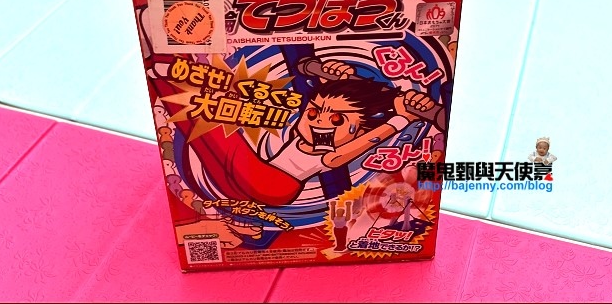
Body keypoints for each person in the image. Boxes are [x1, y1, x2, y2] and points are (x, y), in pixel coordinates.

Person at [186, 60, 437, 206]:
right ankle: (175, 73)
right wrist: (332, 77)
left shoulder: (329, 157)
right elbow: (318, 93)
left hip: (276, 186)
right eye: (313, 112)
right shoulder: (301, 134)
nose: (319, 121)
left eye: (337, 119)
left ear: (358, 131)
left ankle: (180, 73)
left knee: (215, 131)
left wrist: (402, 118)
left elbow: (370, 139)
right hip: (248, 186)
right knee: (201, 139)